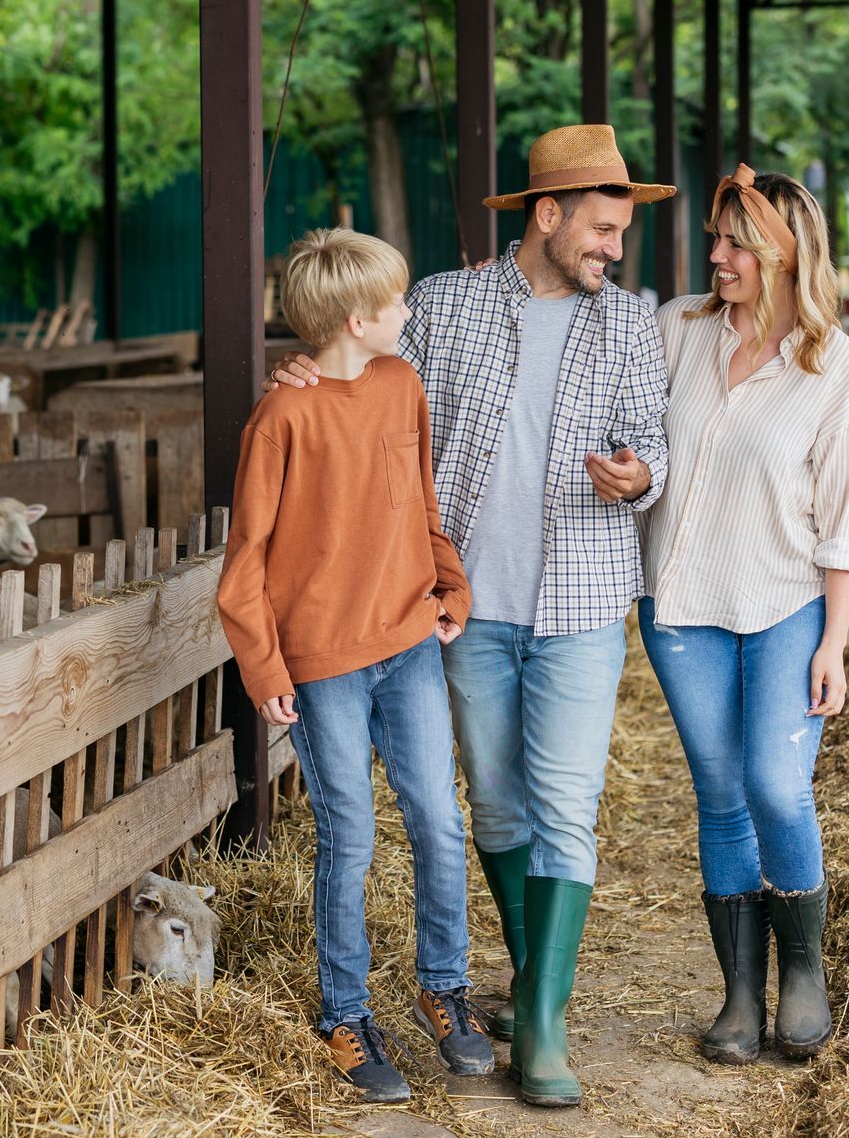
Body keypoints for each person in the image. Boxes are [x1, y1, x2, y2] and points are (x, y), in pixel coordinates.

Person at [268, 123, 673, 1107]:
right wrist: (306, 377)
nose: (614, 250)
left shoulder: (631, 322)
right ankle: (527, 982)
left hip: (579, 600)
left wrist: (640, 477)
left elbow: (654, 437)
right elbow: (361, 385)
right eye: (602, 229)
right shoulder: (442, 307)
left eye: (621, 233)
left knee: (567, 810)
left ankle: (539, 1023)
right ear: (547, 215)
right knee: (493, 809)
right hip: (461, 610)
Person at [217, 229, 491, 1103]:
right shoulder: (282, 416)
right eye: (398, 302)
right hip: (323, 661)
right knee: (351, 833)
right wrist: (265, 671)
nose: (408, 313)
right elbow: (245, 563)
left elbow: (422, 500)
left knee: (439, 822)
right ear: (354, 317)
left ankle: (443, 987)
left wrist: (451, 589)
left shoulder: (402, 384)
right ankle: (344, 1012)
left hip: (409, 640)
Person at [639, 165, 849, 1064]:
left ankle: (803, 974)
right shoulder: (679, 330)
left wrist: (835, 642)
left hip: (785, 603)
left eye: (736, 242)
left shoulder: (832, 365)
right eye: (715, 238)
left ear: (782, 252)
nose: (717, 256)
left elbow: (848, 516)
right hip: (682, 605)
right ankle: (741, 994)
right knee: (720, 794)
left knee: (777, 787)